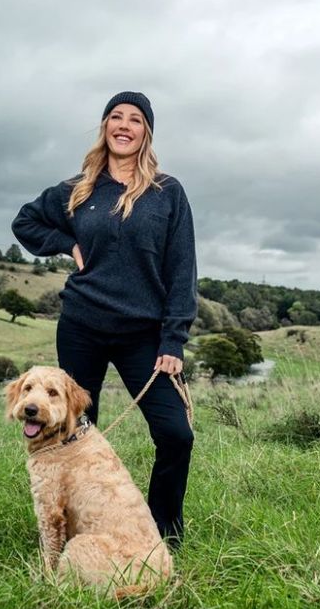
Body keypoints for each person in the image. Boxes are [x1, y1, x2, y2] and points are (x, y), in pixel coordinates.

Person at [11, 91, 197, 547]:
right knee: (73, 436)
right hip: (83, 327)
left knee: (176, 433)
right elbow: (26, 222)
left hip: (144, 335)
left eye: (135, 119)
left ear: (145, 133)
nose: (124, 125)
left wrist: (172, 341)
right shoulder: (80, 189)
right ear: (105, 126)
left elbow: (181, 268)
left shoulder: (167, 193)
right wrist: (67, 244)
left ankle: (161, 533)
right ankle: (78, 527)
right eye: (116, 117)